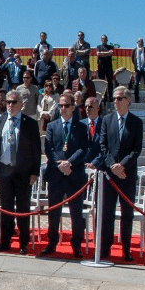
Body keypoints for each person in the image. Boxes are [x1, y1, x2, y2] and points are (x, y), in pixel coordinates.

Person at [40, 91, 90, 258]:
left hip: (75, 175)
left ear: (73, 107)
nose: (63, 109)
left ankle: (76, 244)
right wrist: (60, 164)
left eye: (66, 106)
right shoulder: (53, 126)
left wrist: (70, 163)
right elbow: (49, 149)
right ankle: (52, 242)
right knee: (54, 212)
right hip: (56, 175)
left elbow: (83, 148)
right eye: (60, 106)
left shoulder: (81, 127)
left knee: (76, 212)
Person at [96, 86, 143, 261]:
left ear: (128, 100)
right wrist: (112, 165)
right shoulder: (107, 120)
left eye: (120, 98)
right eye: (114, 98)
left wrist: (122, 166)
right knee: (107, 213)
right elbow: (103, 146)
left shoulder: (136, 122)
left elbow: (136, 149)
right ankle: (105, 247)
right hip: (109, 176)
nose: (116, 101)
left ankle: (126, 248)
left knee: (126, 214)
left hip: (127, 175)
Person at [0, 90, 40, 254]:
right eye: (8, 102)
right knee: (6, 209)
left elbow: (36, 150)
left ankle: (23, 243)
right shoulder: (1, 120)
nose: (10, 105)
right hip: (4, 171)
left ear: (21, 104)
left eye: (13, 102)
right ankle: (5, 241)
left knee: (22, 209)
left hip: (22, 173)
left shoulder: (30, 123)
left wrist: (35, 172)